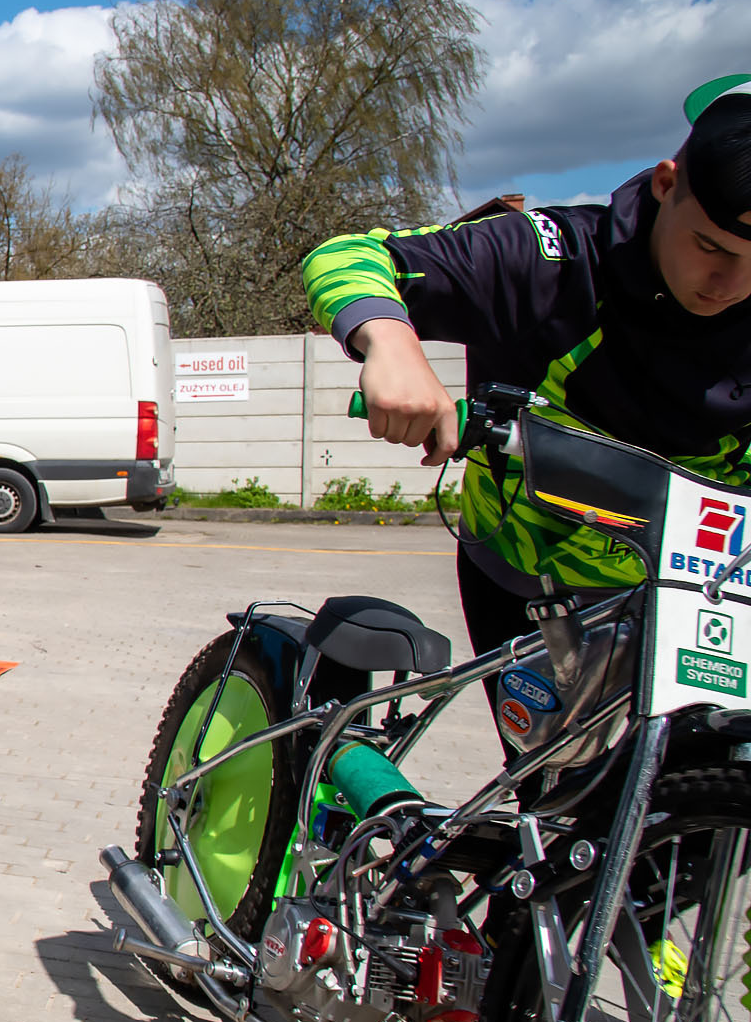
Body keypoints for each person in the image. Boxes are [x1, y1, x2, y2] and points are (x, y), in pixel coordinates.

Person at [316, 73, 751, 675]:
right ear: (665, 184)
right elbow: (351, 256)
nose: (733, 287)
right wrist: (390, 340)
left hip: (706, 590)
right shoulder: (560, 256)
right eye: (713, 248)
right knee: (560, 768)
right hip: (531, 578)